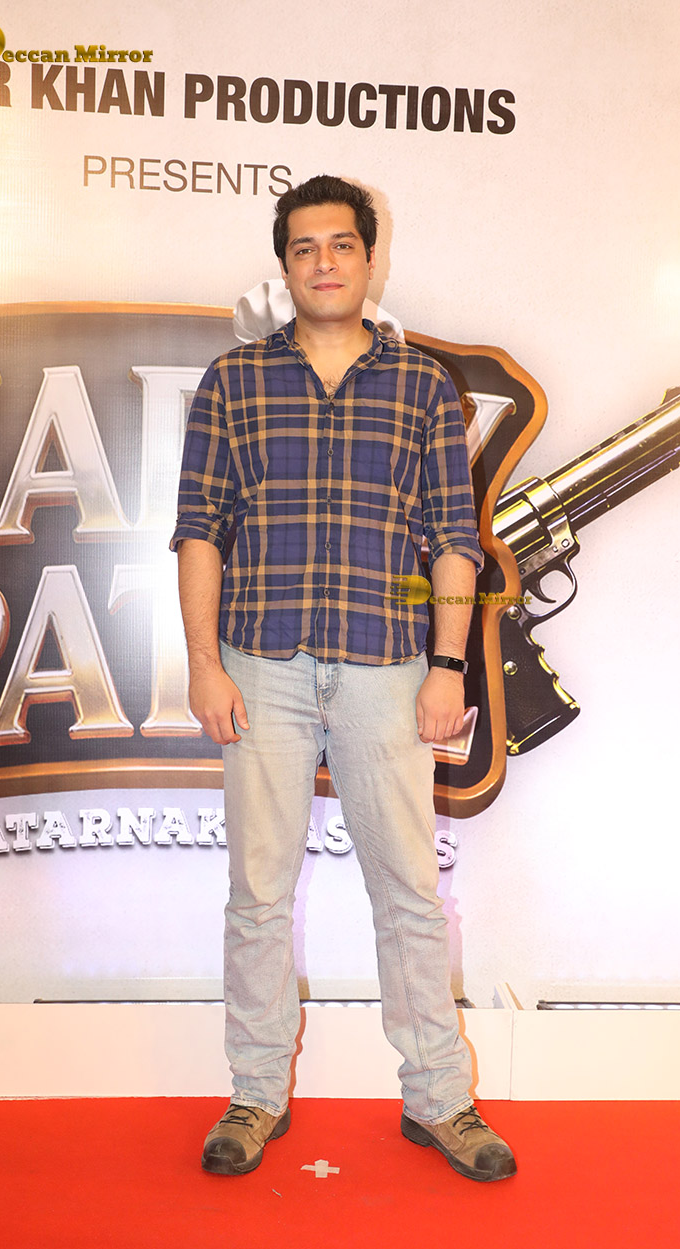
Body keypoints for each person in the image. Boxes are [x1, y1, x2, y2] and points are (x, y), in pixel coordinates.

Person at [171, 174, 516, 1183]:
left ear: (371, 258)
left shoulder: (422, 388)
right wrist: (204, 666)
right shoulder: (234, 382)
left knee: (409, 892)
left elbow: (453, 539)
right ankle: (255, 1093)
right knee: (257, 893)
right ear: (284, 267)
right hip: (261, 665)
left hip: (387, 670)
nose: (324, 262)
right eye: (304, 248)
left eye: (342, 245)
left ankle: (440, 1100)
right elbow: (199, 531)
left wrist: (447, 666)